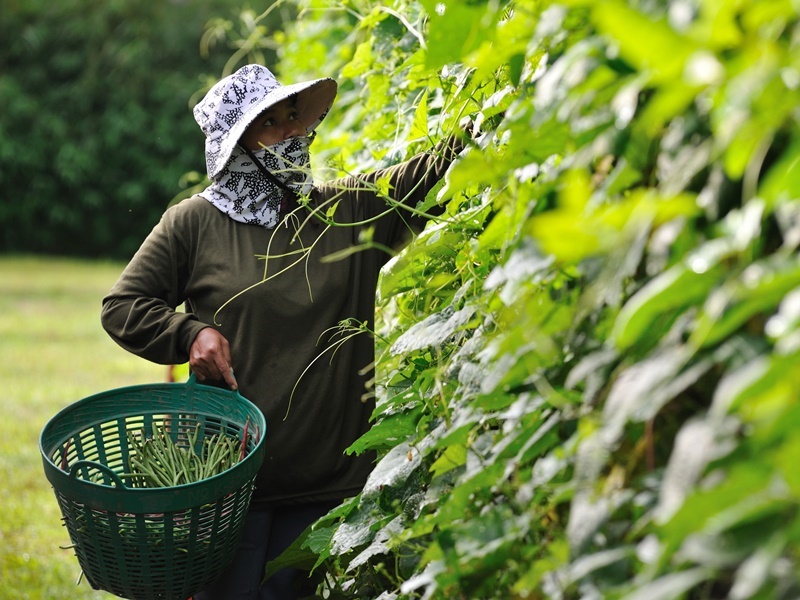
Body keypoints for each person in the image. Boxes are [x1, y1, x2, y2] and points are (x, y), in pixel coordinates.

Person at [101, 63, 462, 599]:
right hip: (227, 479)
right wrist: (189, 333)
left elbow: (438, 167)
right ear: (236, 146)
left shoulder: (347, 211)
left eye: (294, 116)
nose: (293, 132)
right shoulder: (195, 223)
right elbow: (122, 306)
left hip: (325, 482)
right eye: (271, 123)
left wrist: (496, 105)